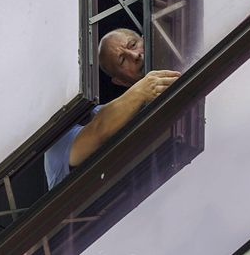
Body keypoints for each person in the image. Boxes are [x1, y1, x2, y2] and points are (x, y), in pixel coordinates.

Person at [44, 28, 180, 188]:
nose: (135, 55)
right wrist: (140, 91)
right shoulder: (55, 141)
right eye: (122, 60)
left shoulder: (112, 111)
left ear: (145, 39)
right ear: (121, 82)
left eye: (133, 44)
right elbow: (99, 130)